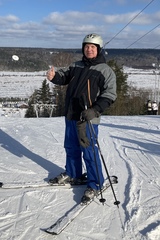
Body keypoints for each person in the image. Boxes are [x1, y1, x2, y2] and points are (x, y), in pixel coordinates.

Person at [46, 33, 117, 202]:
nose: (89, 49)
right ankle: (73, 174)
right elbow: (63, 77)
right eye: (87, 46)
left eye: (93, 47)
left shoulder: (105, 71)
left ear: (98, 49)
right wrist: (54, 77)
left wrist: (95, 110)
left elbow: (110, 94)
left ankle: (95, 183)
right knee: (71, 147)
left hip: (88, 118)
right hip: (71, 114)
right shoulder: (76, 65)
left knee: (89, 151)